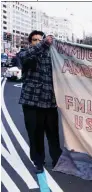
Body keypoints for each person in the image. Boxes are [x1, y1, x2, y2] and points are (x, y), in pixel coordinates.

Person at [18, 30, 62, 173]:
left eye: (40, 39)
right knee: (35, 134)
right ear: (31, 42)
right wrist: (43, 43)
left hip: (49, 103)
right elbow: (26, 57)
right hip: (31, 103)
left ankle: (57, 160)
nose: (38, 42)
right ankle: (38, 161)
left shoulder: (52, 56)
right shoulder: (26, 54)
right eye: (35, 40)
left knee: (53, 134)